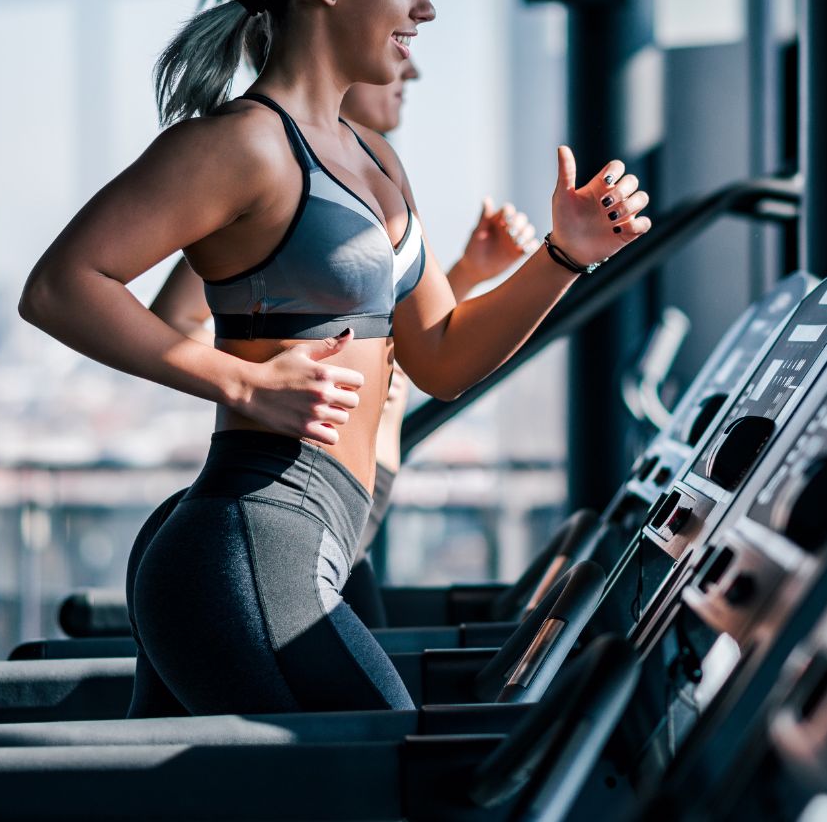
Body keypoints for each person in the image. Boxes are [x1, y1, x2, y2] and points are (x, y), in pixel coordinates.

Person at [19, 0, 651, 717]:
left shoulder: (377, 160)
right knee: (393, 771)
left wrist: (564, 257)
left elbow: (442, 357)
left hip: (316, 541)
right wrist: (238, 378)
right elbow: (61, 287)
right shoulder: (242, 144)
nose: (424, 8)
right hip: (252, 535)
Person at [150, 55, 538, 627]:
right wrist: (253, 381)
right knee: (372, 708)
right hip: (289, 496)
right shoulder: (272, 183)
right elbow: (178, 314)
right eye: (399, 60)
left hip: (351, 497)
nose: (412, 73)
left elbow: (392, 334)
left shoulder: (373, 173)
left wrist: (468, 272)